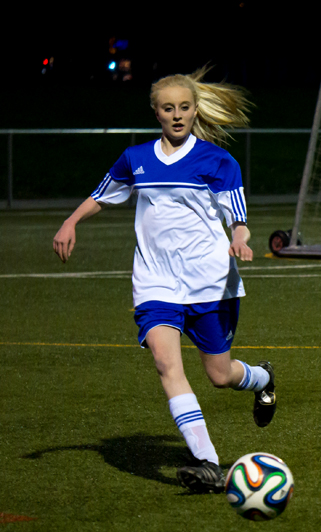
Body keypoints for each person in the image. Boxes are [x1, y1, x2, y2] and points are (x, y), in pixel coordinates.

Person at [52, 67, 277, 494]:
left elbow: (239, 218)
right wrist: (71, 221)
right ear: (155, 112)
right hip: (155, 283)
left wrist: (240, 240)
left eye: (184, 108)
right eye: (168, 108)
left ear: (195, 111)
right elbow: (103, 194)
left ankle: (262, 379)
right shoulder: (135, 158)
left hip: (211, 282)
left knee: (220, 375)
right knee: (165, 363)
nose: (177, 115)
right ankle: (208, 462)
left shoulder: (218, 161)